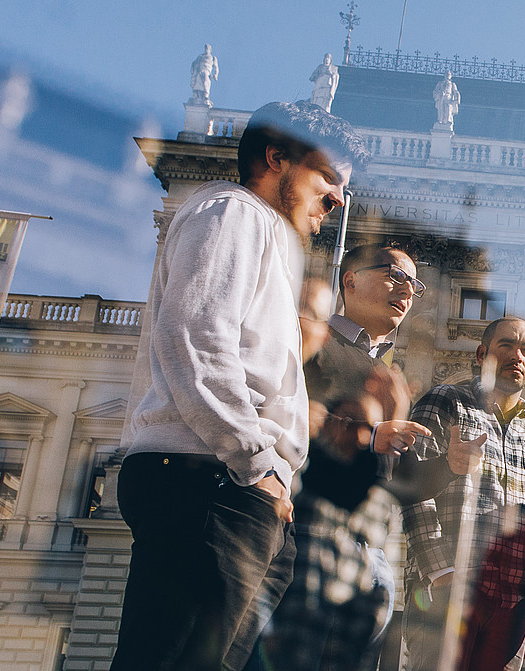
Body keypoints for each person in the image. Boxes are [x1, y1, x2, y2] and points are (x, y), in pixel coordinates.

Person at [115, 100, 368, 671]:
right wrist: (259, 463)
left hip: (234, 486)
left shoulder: (265, 237)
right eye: (329, 177)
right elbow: (198, 344)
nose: (338, 199)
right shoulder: (234, 213)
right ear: (276, 158)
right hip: (211, 481)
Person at [260, 242, 481, 671]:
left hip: (375, 554)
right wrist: (372, 432)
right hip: (309, 537)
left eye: (414, 284)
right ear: (351, 280)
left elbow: (398, 482)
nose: (407, 290)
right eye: (395, 275)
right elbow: (281, 421)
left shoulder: (390, 372)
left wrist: (449, 465)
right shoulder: (313, 343)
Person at [398, 316, 525, 671]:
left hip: (513, 602)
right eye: (506, 345)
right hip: (448, 590)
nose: (516, 355)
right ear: (481, 353)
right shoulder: (445, 401)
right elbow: (413, 488)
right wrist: (441, 573)